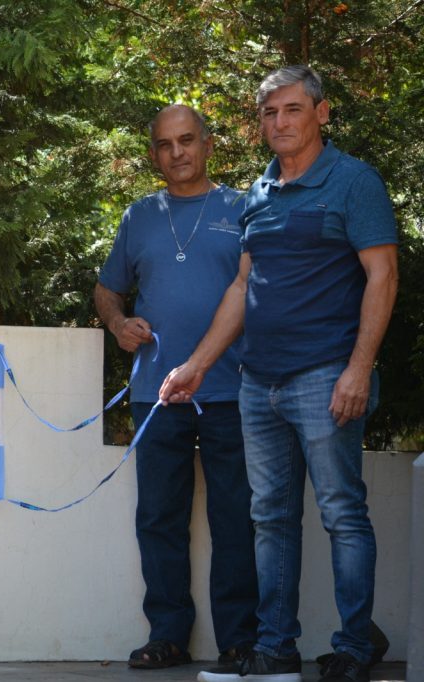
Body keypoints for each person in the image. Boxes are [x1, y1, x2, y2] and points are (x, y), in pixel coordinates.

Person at [160, 66, 399, 682]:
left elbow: (382, 276)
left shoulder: (354, 182)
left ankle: (353, 648)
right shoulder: (259, 192)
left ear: (321, 112)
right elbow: (242, 286)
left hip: (326, 376)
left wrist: (358, 369)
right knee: (269, 519)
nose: (280, 122)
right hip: (257, 383)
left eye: (292, 109)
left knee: (342, 514)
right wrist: (195, 366)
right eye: (269, 112)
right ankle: (275, 649)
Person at [95, 104, 258, 669]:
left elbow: (259, 289)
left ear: (208, 144)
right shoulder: (139, 215)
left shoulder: (243, 208)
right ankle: (167, 635)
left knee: (236, 518)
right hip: (155, 394)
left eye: (187, 140)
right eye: (165, 145)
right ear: (153, 155)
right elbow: (107, 289)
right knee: (159, 518)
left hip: (231, 390)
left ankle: (240, 640)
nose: (177, 152)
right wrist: (118, 323)